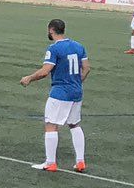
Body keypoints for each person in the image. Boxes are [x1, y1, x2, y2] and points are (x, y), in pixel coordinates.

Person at [21, 18, 89, 173]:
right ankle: (80, 161)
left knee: (51, 125)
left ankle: (50, 163)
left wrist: (29, 78)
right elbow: (86, 68)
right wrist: (77, 82)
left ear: (51, 30)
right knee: (75, 124)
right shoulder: (79, 46)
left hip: (60, 93)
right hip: (76, 91)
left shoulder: (54, 49)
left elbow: (45, 71)